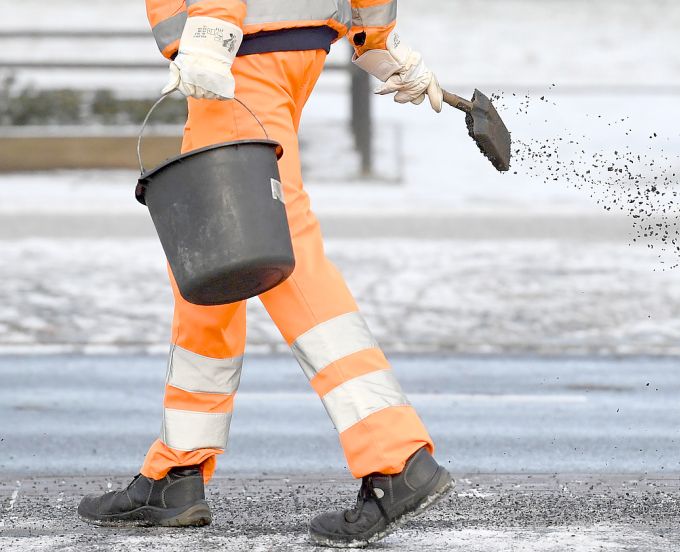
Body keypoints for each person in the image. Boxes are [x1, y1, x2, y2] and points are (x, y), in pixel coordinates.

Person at [76, 0, 452, 547]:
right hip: (289, 50)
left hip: (236, 51)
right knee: (208, 262)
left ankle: (396, 456)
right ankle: (178, 469)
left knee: (278, 255)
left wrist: (210, 32)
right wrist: (381, 41)